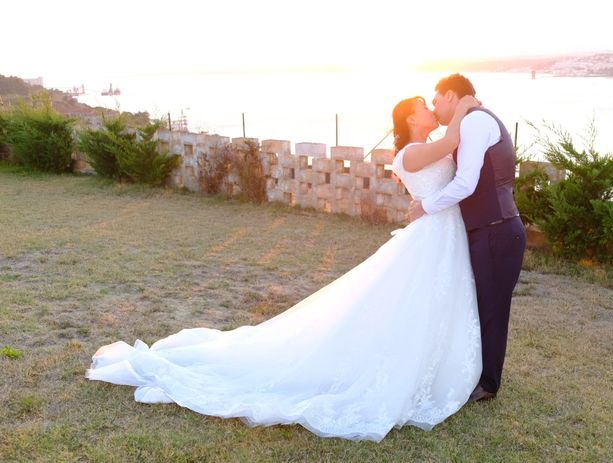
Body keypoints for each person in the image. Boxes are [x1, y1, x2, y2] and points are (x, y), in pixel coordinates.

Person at [86, 95, 481, 442]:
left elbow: (456, 158)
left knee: (426, 306)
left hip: (443, 234)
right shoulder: (410, 153)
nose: (431, 109)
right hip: (431, 234)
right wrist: (465, 105)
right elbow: (452, 141)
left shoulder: (424, 146)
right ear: (411, 119)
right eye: (424, 107)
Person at [408, 74, 526, 402]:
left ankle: (488, 384)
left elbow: (465, 183)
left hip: (498, 230)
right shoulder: (471, 121)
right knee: (481, 305)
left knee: (492, 308)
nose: (434, 107)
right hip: (490, 229)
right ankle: (478, 374)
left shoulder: (475, 124)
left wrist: (425, 207)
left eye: (436, 100)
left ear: (450, 95)